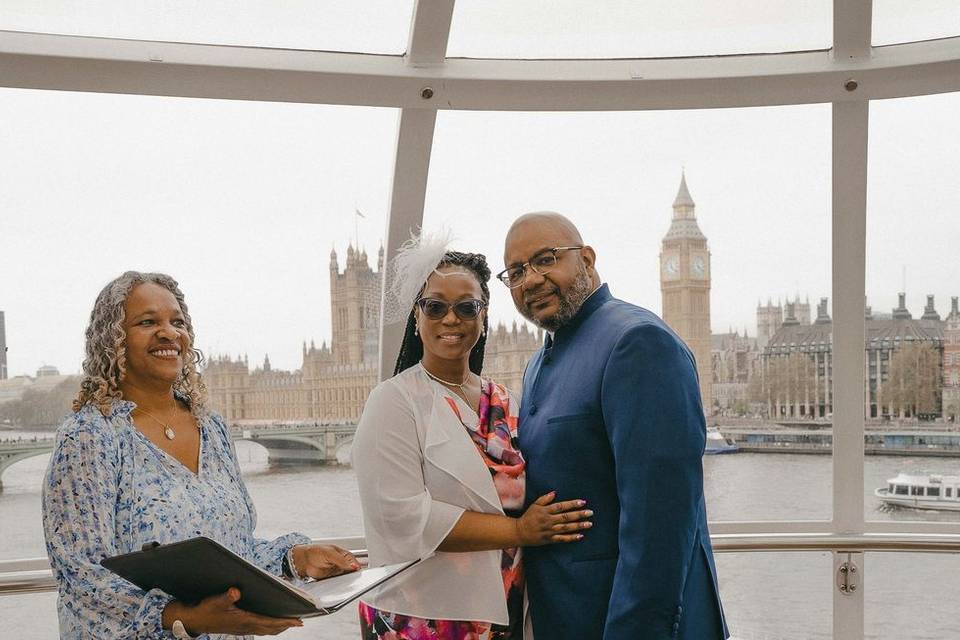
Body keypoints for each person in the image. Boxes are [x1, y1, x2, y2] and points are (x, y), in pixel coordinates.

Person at [42, 271, 360, 639]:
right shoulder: (90, 435)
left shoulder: (211, 426)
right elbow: (80, 577)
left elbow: (233, 552)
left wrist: (295, 558)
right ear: (113, 341)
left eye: (177, 322)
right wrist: (184, 618)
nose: (169, 333)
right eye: (148, 322)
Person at [351, 235, 593, 640]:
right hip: (423, 617)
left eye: (467, 308)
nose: (451, 319)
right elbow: (400, 517)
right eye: (436, 306)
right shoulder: (392, 402)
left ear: (483, 317)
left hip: (504, 610)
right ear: (416, 315)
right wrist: (518, 532)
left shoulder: (504, 400)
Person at [501, 213, 729, 640]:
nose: (530, 280)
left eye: (545, 259)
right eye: (515, 272)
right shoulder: (538, 362)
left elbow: (659, 529)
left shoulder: (637, 343)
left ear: (586, 259)